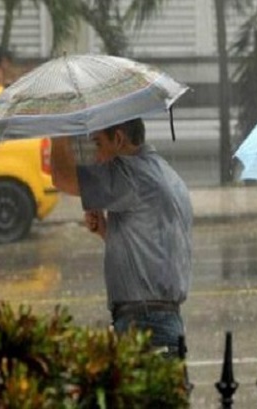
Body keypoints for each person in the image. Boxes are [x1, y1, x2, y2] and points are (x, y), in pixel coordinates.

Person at [50, 118, 193, 356]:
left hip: (145, 326)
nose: (96, 156)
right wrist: (107, 231)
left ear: (118, 139)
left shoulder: (132, 174)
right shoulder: (166, 175)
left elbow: (62, 177)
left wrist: (57, 127)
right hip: (164, 324)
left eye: (97, 143)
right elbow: (157, 251)